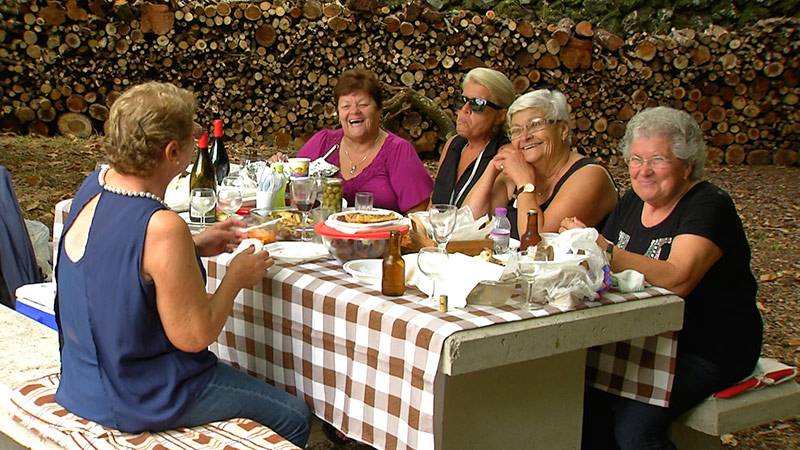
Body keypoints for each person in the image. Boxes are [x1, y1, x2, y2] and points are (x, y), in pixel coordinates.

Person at [54, 82, 311, 446]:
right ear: (173, 152)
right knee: (293, 417)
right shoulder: (161, 226)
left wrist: (191, 246)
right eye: (192, 139)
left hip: (83, 382)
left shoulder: (93, 187)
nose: (195, 146)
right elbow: (194, 336)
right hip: (140, 395)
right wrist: (235, 278)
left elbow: (113, 259)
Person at [562, 107, 762, 450]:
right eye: (636, 159)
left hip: (705, 347)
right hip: (639, 338)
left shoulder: (708, 205)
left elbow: (678, 278)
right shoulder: (631, 201)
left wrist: (604, 249)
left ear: (687, 164)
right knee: (575, 402)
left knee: (633, 427)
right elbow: (603, 267)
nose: (643, 171)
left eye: (658, 159)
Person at [464, 89, 618, 238]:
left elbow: (537, 243)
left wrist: (525, 184)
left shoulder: (589, 176)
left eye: (536, 124)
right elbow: (468, 222)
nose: (525, 137)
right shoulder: (519, 169)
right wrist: (493, 167)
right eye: (517, 130)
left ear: (563, 130)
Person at [292, 68, 433, 214]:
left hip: (381, 235)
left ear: (379, 110)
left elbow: (418, 213)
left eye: (363, 105)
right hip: (320, 234)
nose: (354, 111)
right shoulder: (323, 143)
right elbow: (294, 187)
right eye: (346, 106)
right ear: (339, 113)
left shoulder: (399, 151)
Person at [431, 67, 515, 207]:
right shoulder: (453, 144)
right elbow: (434, 203)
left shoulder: (505, 154)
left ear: (500, 116)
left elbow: (487, 215)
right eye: (462, 100)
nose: (465, 109)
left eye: (477, 104)